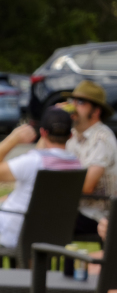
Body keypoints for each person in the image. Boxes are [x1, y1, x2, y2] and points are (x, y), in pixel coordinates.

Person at [0, 108, 83, 252]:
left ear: (43, 132)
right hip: (49, 234)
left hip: (13, 232)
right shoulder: (76, 165)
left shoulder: (33, 162)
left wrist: (13, 139)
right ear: (70, 135)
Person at [66, 80, 117, 239]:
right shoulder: (74, 136)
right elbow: (41, 157)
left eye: (80, 102)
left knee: (43, 217)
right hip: (78, 209)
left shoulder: (102, 138)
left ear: (96, 111)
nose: (73, 107)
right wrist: (52, 119)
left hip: (98, 215)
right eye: (72, 101)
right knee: (35, 211)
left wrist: (54, 187)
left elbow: (87, 186)